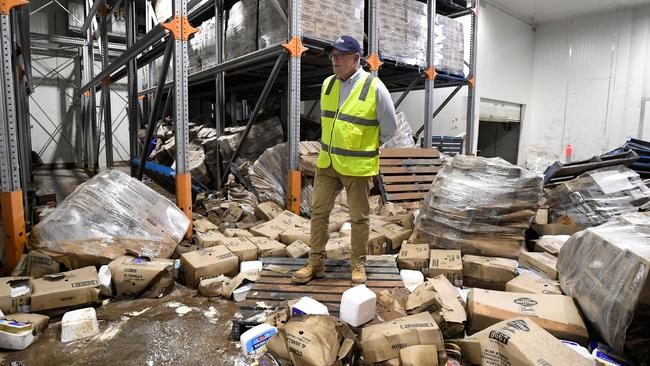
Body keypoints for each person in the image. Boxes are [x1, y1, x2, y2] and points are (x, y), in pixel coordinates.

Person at [292, 35, 397, 285]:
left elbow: (389, 129)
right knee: (318, 212)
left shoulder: (375, 87)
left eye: (340, 55)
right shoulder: (328, 84)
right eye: (333, 55)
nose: (334, 60)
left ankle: (358, 264)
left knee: (358, 217)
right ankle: (315, 263)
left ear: (356, 58)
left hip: (357, 167)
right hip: (327, 163)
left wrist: (368, 145)